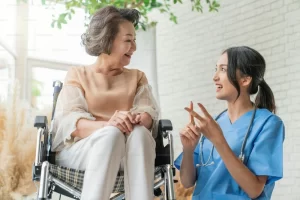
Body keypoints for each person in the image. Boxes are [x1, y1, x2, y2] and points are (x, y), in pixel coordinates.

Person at [51, 6, 160, 200]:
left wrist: (138, 118)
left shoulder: (137, 77)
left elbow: (147, 113)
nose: (134, 47)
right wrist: (109, 125)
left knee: (140, 132)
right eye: (128, 40)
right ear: (108, 40)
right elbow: (70, 123)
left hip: (128, 154)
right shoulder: (78, 74)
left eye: (134, 40)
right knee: (111, 134)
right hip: (82, 152)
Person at [174, 46, 285, 200]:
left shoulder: (268, 124)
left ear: (245, 79)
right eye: (216, 69)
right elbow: (187, 182)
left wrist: (218, 140)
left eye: (223, 70)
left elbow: (255, 190)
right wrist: (188, 149)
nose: (214, 77)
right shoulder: (213, 124)